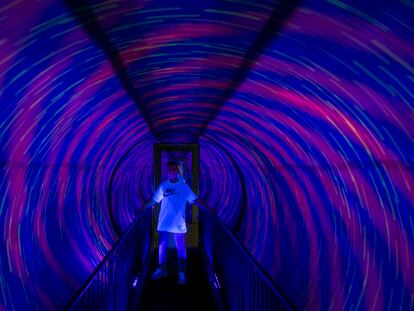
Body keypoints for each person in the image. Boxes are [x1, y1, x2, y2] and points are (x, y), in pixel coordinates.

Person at [143, 160, 213, 285]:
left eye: (174, 169)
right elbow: (154, 200)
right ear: (167, 171)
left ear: (177, 171)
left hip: (178, 223)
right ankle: (161, 269)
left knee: (180, 247)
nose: (172, 171)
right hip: (163, 222)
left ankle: (181, 273)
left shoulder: (184, 187)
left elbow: (195, 200)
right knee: (162, 246)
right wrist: (143, 207)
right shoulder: (163, 186)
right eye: (170, 169)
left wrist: (207, 208)